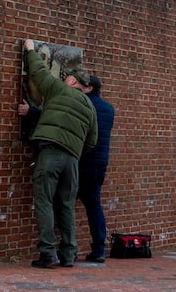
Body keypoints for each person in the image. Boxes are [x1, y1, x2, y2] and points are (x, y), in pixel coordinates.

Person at [21, 39, 97, 269]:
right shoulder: (90, 108)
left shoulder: (59, 89)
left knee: (44, 200)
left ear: (72, 81)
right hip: (72, 160)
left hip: (50, 152)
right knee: (66, 205)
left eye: (66, 78)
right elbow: (92, 141)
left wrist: (30, 50)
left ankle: (48, 253)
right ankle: (69, 254)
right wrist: (74, 149)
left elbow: (38, 72)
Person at [78, 75, 115, 263]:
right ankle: (99, 249)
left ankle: (66, 248)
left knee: (64, 202)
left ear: (90, 88)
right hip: (100, 164)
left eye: (81, 86)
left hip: (82, 161)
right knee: (94, 205)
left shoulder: (83, 105)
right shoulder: (109, 109)